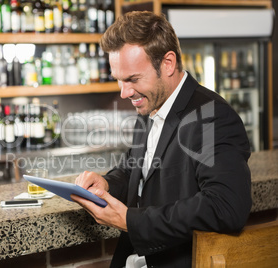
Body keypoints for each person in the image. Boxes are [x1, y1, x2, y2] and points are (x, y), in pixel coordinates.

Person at [71, 11, 252, 268]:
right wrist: (106, 184)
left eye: (133, 79)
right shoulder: (151, 105)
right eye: (119, 80)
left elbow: (226, 206)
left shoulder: (213, 116)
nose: (124, 93)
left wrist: (130, 220)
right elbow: (134, 170)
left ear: (168, 63)